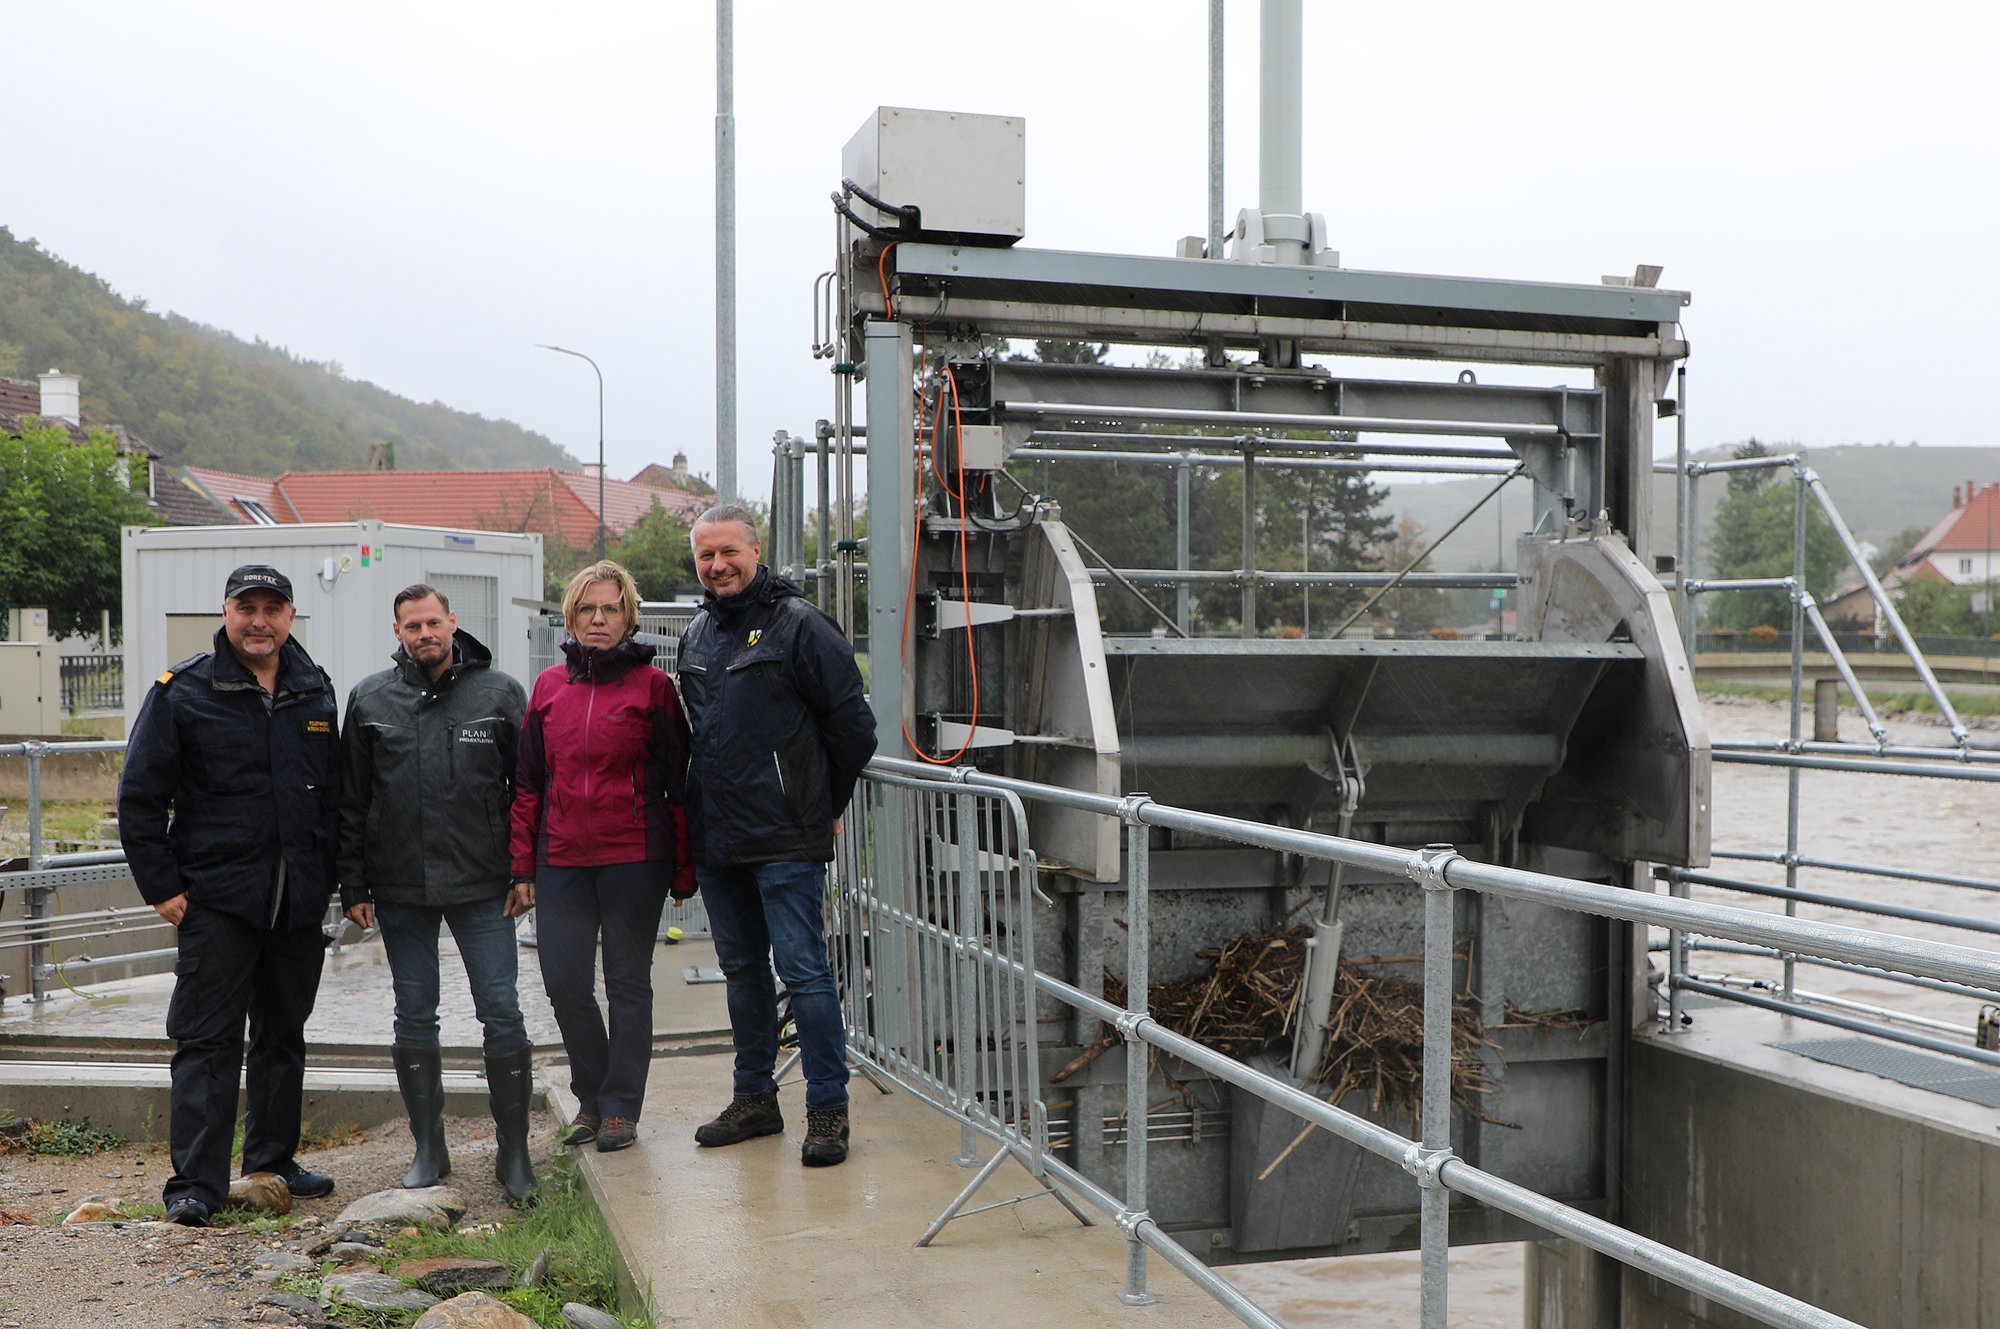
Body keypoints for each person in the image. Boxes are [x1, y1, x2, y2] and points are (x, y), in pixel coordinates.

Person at [118, 564, 341, 1226]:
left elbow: (334, 799)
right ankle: (195, 1182)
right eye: (247, 607)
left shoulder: (314, 689)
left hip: (297, 902)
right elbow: (139, 797)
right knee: (207, 1041)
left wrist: (332, 880)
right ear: (225, 611)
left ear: (290, 616)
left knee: (282, 1035)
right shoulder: (183, 691)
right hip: (217, 901)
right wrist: (162, 886)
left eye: (273, 607)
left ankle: (271, 1161)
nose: (260, 620)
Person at [679, 503, 877, 1167]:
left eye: (728, 551)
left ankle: (827, 1111)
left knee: (805, 972)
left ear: (754, 550)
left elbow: (854, 729)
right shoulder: (698, 634)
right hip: (720, 839)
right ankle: (755, 1098)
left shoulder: (801, 627)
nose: (717, 565)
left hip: (786, 838)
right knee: (743, 973)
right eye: (706, 555)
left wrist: (823, 803)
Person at [337, 584, 537, 1205]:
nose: (424, 633)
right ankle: (429, 1146)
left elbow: (529, 788)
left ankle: (515, 1150)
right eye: (411, 625)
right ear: (396, 631)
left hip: (484, 886)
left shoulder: (499, 693)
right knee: (413, 1012)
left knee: (501, 1009)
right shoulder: (369, 698)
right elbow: (352, 800)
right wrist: (354, 885)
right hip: (399, 888)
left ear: (452, 623)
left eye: (433, 622)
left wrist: (524, 870)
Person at [510, 560, 696, 1153]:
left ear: (628, 617)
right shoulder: (547, 690)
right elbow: (528, 785)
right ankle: (590, 1094)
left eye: (610, 609)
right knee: (563, 983)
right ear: (571, 616)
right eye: (587, 609)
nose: (597, 619)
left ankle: (621, 1106)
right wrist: (522, 865)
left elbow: (679, 783)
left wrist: (684, 868)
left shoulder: (654, 688)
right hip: (560, 857)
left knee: (626, 983)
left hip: (633, 857)